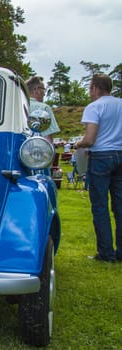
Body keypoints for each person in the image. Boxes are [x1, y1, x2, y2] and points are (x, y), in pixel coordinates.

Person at [75, 73, 122, 263]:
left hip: (102, 156)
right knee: (119, 206)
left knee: (100, 206)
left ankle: (105, 253)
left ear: (95, 88)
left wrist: (78, 144)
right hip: (121, 154)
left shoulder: (94, 107)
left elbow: (90, 139)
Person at [26, 76, 60, 143]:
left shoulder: (16, 107)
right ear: (36, 90)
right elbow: (47, 138)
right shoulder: (44, 108)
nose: (44, 94)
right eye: (43, 89)